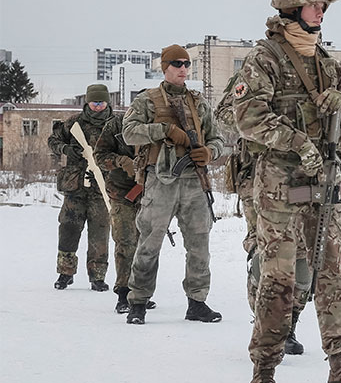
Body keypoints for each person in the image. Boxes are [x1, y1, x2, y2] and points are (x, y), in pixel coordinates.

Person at [234, 0, 341, 383]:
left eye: (323, 6)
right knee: (279, 280)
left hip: (326, 182)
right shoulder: (266, 59)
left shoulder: (327, 64)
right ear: (292, 7)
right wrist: (298, 143)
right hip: (280, 184)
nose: (321, 13)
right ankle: (264, 369)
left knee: (331, 276)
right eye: (316, 5)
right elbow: (247, 117)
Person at [121, 45, 225, 325]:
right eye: (177, 63)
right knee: (150, 242)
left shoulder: (198, 102)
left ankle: (197, 302)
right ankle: (138, 302)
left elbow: (217, 138)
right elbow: (129, 133)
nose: (183, 68)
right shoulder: (147, 100)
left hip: (194, 180)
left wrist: (210, 152)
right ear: (164, 67)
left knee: (199, 243)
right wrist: (164, 130)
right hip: (161, 180)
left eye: (186, 64)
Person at [215, 72, 307, 356]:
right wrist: (262, 123)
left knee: (302, 251)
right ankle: (266, 326)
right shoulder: (251, 75)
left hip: (299, 177)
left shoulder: (308, 73)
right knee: (264, 248)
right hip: (256, 178)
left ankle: (290, 324)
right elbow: (223, 115)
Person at [47, 84, 113, 292]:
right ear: (87, 102)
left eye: (101, 102)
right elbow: (53, 140)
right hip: (75, 188)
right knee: (68, 229)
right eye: (94, 102)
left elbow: (127, 150)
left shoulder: (115, 124)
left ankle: (97, 277)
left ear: (107, 102)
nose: (97, 106)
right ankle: (65, 273)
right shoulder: (74, 123)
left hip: (101, 188)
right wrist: (66, 149)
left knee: (99, 234)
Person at [94, 98, 154, 313]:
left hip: (152, 194)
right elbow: (99, 156)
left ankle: (140, 293)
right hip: (122, 194)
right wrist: (120, 161)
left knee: (146, 246)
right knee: (126, 243)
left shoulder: (158, 126)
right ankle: (123, 293)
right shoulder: (116, 125)